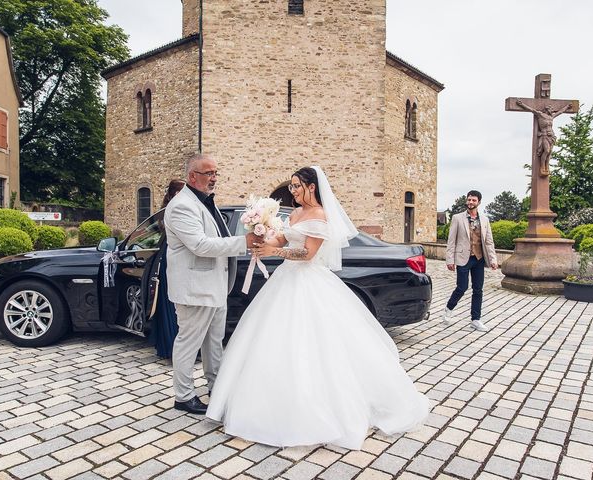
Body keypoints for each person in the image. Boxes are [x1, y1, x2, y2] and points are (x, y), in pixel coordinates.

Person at [206, 166, 429, 450]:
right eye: (292, 187)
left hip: (308, 281)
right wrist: (263, 240)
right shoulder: (295, 213)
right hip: (284, 281)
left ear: (312, 187)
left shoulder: (321, 216)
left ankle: (318, 409)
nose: (294, 191)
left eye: (298, 186)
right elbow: (283, 239)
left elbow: (307, 254)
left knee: (313, 344)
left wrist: (274, 252)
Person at [164, 154, 256, 414]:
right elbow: (200, 245)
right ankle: (183, 397)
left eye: (216, 172)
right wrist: (244, 242)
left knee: (214, 342)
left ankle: (217, 387)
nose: (214, 177)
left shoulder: (205, 201)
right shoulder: (182, 205)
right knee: (188, 343)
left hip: (215, 286)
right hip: (195, 289)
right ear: (192, 176)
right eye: (209, 173)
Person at [442, 190, 498, 332]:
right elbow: (451, 240)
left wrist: (493, 259)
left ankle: (475, 319)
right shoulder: (457, 218)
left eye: (473, 200)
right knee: (462, 287)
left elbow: (489, 241)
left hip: (478, 259)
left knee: (478, 289)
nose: (470, 202)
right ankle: (449, 307)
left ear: (479, 202)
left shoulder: (485, 220)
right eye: (469, 200)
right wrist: (450, 259)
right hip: (462, 258)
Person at [149, 179, 185, 359]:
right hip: (168, 262)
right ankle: (170, 346)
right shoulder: (168, 212)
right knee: (170, 305)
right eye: (180, 191)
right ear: (173, 194)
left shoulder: (177, 210)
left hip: (172, 260)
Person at [516, 99, 572, 177]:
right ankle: (542, 166)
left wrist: (567, 107)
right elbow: (531, 109)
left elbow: (560, 112)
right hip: (544, 135)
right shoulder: (540, 115)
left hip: (551, 136)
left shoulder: (551, 116)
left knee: (549, 153)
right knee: (546, 150)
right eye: (551, 109)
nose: (552, 110)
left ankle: (547, 166)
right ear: (547, 110)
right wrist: (522, 104)